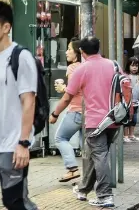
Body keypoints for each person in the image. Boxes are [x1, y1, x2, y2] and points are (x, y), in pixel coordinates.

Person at [52, 37, 120, 207]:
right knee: (94, 155)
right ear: (98, 48)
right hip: (114, 119)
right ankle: (83, 189)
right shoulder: (113, 65)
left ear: (81, 51)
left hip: (95, 121)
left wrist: (54, 113)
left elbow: (67, 97)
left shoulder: (82, 69)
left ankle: (105, 195)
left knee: (100, 156)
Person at [0, 2, 38, 209]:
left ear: (6, 27)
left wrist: (23, 143)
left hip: (11, 146)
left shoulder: (21, 57)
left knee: (15, 203)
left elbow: (28, 101)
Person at [54, 39, 83, 183]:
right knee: (87, 147)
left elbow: (72, 91)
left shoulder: (72, 68)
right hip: (89, 112)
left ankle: (72, 169)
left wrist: (63, 89)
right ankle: (95, 176)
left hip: (76, 111)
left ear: (77, 53)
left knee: (60, 138)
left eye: (69, 49)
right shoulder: (87, 67)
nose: (66, 52)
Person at [122, 57, 139, 143]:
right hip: (127, 101)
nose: (134, 68)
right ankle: (125, 135)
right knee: (127, 118)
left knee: (134, 119)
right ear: (128, 66)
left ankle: (131, 135)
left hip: (135, 101)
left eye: (136, 66)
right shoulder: (126, 76)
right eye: (132, 66)